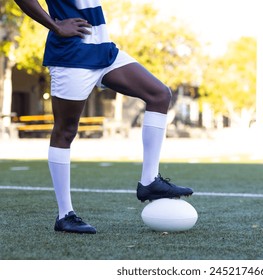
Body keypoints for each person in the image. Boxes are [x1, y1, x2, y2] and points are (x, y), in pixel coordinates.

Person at [14, 0, 193, 234]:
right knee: (66, 131)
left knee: (159, 94)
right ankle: (65, 215)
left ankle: (149, 181)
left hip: (104, 50)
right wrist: (55, 26)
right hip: (72, 53)